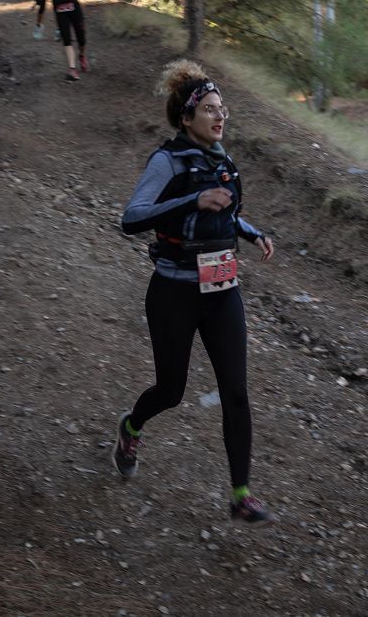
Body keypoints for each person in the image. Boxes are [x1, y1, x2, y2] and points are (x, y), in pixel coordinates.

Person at [116, 60, 277, 526]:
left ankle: (240, 493)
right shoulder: (166, 160)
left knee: (237, 393)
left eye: (222, 108)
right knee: (171, 390)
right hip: (173, 293)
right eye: (209, 109)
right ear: (186, 118)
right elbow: (132, 218)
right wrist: (192, 198)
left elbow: (223, 214)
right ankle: (131, 427)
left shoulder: (222, 159)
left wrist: (251, 232)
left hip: (223, 290)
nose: (219, 116)